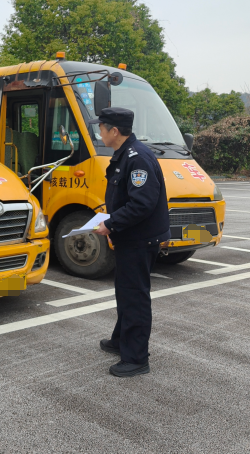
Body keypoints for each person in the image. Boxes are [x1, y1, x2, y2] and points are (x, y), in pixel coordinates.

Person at [90, 107, 170, 378]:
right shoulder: (126, 154)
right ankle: (120, 340)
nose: (99, 132)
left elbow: (142, 203)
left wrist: (110, 223)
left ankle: (136, 358)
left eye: (101, 128)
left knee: (134, 296)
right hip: (130, 237)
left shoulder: (138, 158)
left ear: (114, 131)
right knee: (125, 291)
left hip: (139, 239)